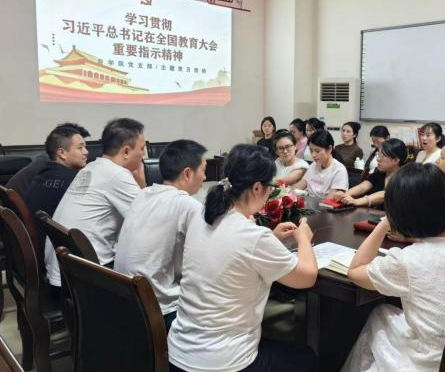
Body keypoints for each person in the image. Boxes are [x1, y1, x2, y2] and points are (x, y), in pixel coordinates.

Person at [343, 162, 445, 371]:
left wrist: (385, 223)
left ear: (398, 214)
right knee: (386, 313)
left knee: (380, 315)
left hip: (436, 363)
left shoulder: (407, 261)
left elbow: (355, 271)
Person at [167, 144, 317, 372]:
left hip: (179, 353)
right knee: (307, 358)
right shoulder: (252, 235)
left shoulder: (202, 215)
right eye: (269, 187)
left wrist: (271, 238)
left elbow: (233, 250)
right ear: (257, 188)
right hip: (221, 364)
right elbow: (307, 276)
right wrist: (304, 237)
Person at [114, 140, 207, 332]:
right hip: (159, 311)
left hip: (125, 301)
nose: (205, 177)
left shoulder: (144, 194)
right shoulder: (186, 205)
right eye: (203, 170)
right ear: (187, 173)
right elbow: (211, 254)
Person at [44, 118, 147, 288]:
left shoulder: (91, 167)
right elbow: (150, 221)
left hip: (62, 269)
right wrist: (142, 183)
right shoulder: (116, 174)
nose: (143, 155)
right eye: (142, 149)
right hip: (82, 278)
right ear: (126, 151)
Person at [7, 122, 90, 197]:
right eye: (80, 147)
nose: (85, 151)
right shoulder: (48, 166)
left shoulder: (47, 161)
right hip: (20, 203)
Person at [25, 126, 88, 218]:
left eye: (85, 147)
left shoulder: (41, 175)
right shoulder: (73, 180)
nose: (86, 152)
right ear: (62, 153)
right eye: (80, 147)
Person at [333, 138, 408, 208]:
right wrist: (344, 195)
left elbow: (385, 195)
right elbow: (363, 187)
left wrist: (356, 201)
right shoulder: (380, 174)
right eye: (378, 154)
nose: (378, 159)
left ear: (395, 160)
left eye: (382, 156)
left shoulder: (404, 179)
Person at [295, 130, 349, 199]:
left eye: (317, 151)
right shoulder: (314, 165)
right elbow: (300, 185)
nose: (313, 155)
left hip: (322, 205)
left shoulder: (339, 170)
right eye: (311, 151)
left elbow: (329, 201)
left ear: (329, 149)